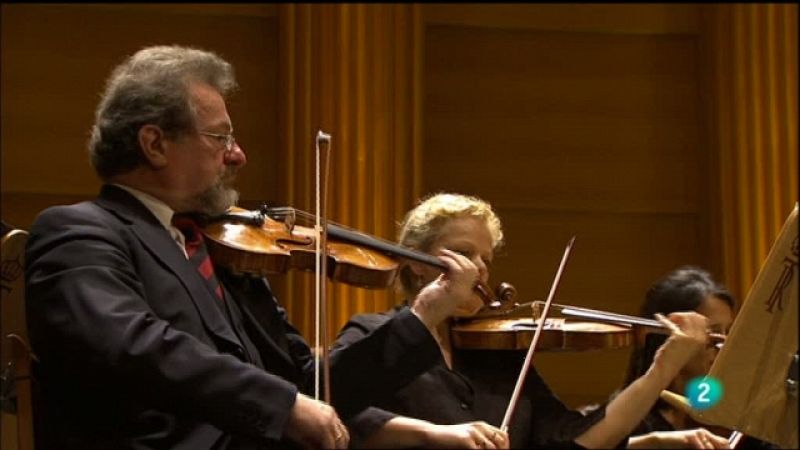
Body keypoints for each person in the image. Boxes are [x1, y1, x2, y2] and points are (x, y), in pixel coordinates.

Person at [23, 45, 482, 450]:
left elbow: (312, 384)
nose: (237, 154)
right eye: (220, 137)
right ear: (155, 144)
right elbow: (132, 347)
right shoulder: (78, 233)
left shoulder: (223, 252)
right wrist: (282, 406)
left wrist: (425, 314)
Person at [331, 193, 717, 449]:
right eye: (464, 253)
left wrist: (663, 368)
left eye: (486, 258)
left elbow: (579, 439)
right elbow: (336, 408)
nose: (479, 269)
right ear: (416, 262)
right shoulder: (374, 335)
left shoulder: (500, 358)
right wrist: (435, 435)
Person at [620, 267, 774, 449]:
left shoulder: (745, 423)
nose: (724, 346)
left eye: (730, 333)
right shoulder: (626, 425)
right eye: (713, 334)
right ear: (668, 340)